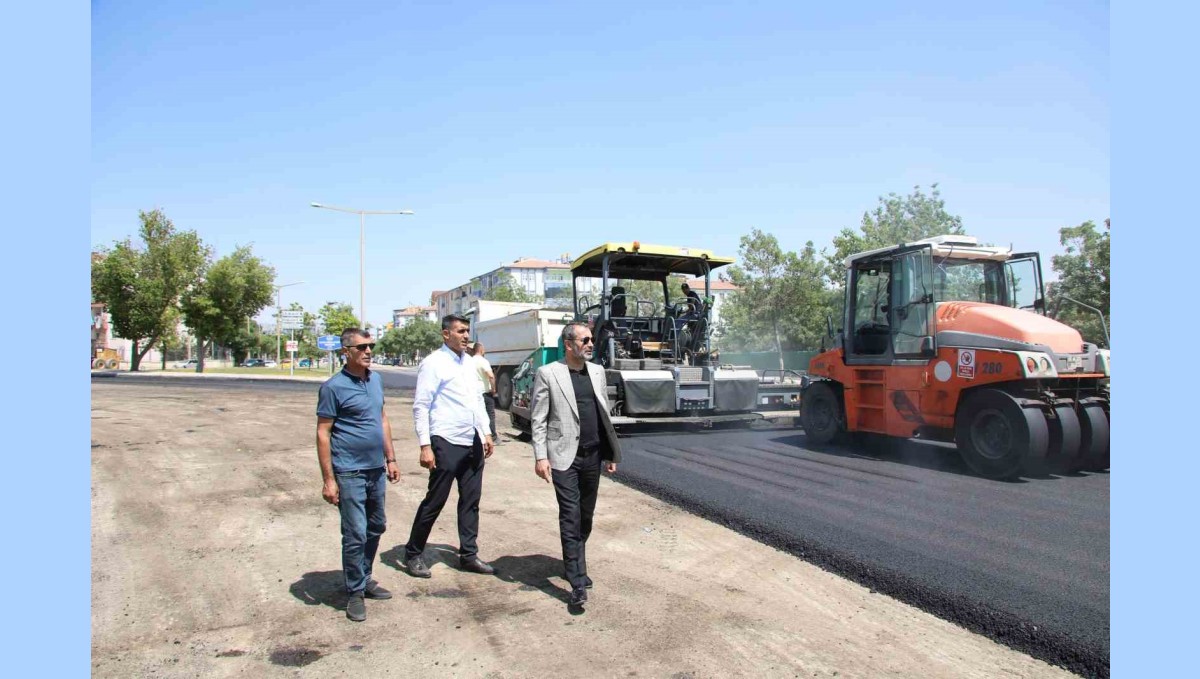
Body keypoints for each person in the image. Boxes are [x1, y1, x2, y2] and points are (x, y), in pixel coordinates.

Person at [530, 321, 623, 608]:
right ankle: (577, 580)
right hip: (563, 456)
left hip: (592, 456)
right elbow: (539, 418)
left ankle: (576, 562)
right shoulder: (548, 373)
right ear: (568, 344)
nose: (591, 344)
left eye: (591, 340)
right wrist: (540, 456)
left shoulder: (596, 372)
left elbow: (603, 414)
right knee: (569, 516)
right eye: (584, 340)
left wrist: (610, 454)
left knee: (586, 517)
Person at [315, 327, 400, 622]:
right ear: (346, 352)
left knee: (377, 526)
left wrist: (391, 458)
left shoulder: (375, 380)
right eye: (362, 347)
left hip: (376, 468)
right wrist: (329, 480)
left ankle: (364, 577)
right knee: (355, 533)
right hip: (349, 470)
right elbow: (323, 434)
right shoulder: (333, 387)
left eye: (370, 346)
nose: (368, 352)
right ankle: (354, 591)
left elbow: (382, 418)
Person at [402, 314, 497, 579]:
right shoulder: (433, 363)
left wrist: (486, 432)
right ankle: (413, 553)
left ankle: (468, 555)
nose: (466, 336)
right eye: (460, 331)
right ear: (446, 334)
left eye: (468, 331)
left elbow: (477, 400)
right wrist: (425, 445)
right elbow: (421, 406)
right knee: (435, 500)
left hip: (472, 442)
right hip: (445, 442)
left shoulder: (469, 363)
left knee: (471, 501)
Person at [469, 341, 499, 444]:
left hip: (474, 392)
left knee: (476, 414)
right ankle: (493, 436)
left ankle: (479, 435)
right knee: (490, 414)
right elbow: (491, 376)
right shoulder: (483, 361)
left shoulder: (469, 361)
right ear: (481, 350)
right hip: (485, 392)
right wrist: (493, 389)